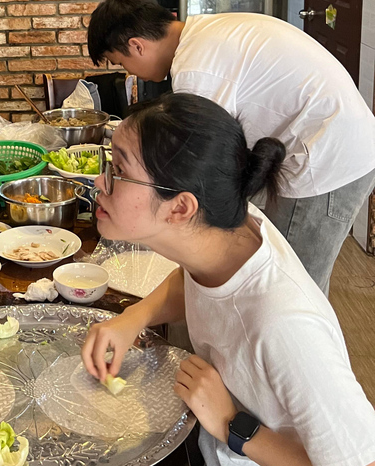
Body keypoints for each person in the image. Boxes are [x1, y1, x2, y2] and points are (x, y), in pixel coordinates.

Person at [81, 93, 375, 466]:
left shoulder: (285, 326)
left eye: (118, 171)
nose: (99, 183)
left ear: (180, 207)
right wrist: (133, 318)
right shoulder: (232, 233)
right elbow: (196, 279)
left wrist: (233, 425)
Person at [87, 0, 375, 295]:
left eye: (121, 64)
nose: (129, 74)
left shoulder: (197, 69)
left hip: (329, 157)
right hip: (320, 143)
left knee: (292, 284)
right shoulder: (204, 34)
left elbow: (200, 166)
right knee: (266, 263)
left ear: (137, 46)